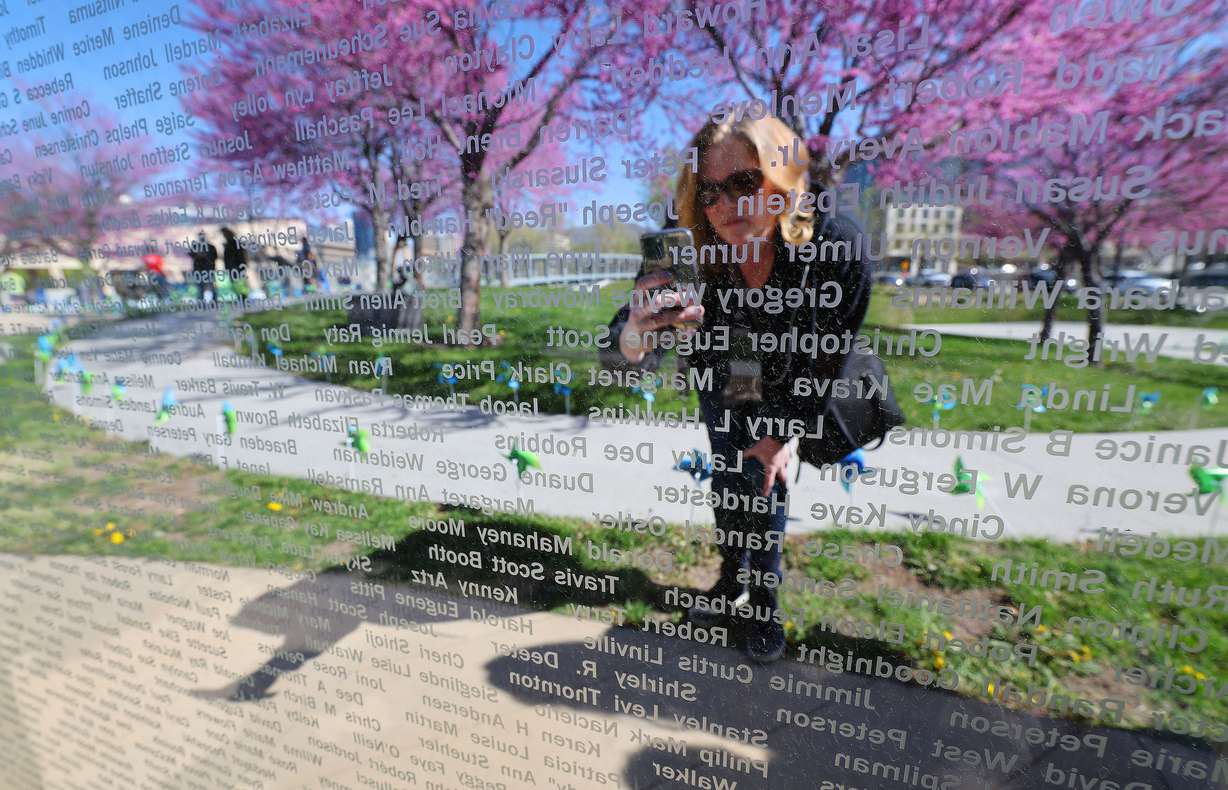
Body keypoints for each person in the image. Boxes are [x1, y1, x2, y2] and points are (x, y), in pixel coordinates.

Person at [602, 115, 871, 662]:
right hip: (726, 365)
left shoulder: (835, 245)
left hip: (796, 368)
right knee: (729, 473)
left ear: (782, 178)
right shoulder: (690, 243)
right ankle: (731, 580)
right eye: (710, 191)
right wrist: (636, 332)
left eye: (745, 183)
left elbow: (830, 354)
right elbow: (622, 354)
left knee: (765, 473)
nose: (726, 204)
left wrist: (781, 433)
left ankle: (763, 601)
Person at [189, 231, 219, 301]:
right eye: (200, 236)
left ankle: (214, 300)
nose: (202, 238)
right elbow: (192, 255)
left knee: (211, 285)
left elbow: (215, 257)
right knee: (200, 286)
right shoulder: (195, 247)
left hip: (209, 269)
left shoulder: (211, 247)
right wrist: (198, 256)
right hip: (199, 270)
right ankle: (201, 300)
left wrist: (206, 257)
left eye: (203, 236)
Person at [221, 227, 249, 299]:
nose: (224, 235)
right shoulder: (229, 243)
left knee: (239, 282)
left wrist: (243, 265)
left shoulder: (234, 243)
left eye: (224, 234)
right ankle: (241, 297)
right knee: (236, 283)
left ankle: (243, 297)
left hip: (237, 266)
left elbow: (240, 255)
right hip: (232, 267)